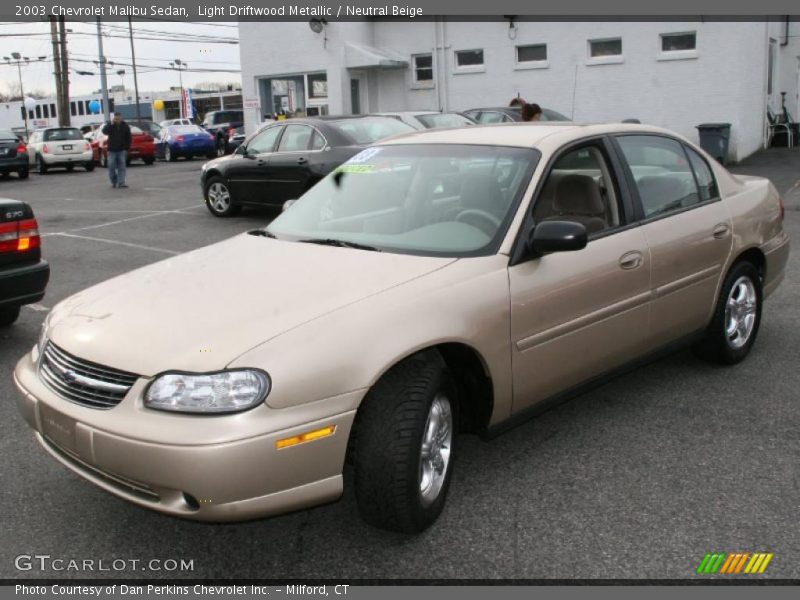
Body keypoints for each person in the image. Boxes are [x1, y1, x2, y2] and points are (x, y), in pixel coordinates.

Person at [102, 113, 132, 189]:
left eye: (118, 119)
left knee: (122, 167)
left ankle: (121, 182)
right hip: (112, 150)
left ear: (121, 118)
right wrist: (111, 124)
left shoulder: (125, 126)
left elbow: (128, 138)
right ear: (114, 119)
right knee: (111, 166)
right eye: (116, 119)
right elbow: (104, 131)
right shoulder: (110, 125)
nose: (117, 120)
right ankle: (114, 181)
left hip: (121, 150)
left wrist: (126, 148)